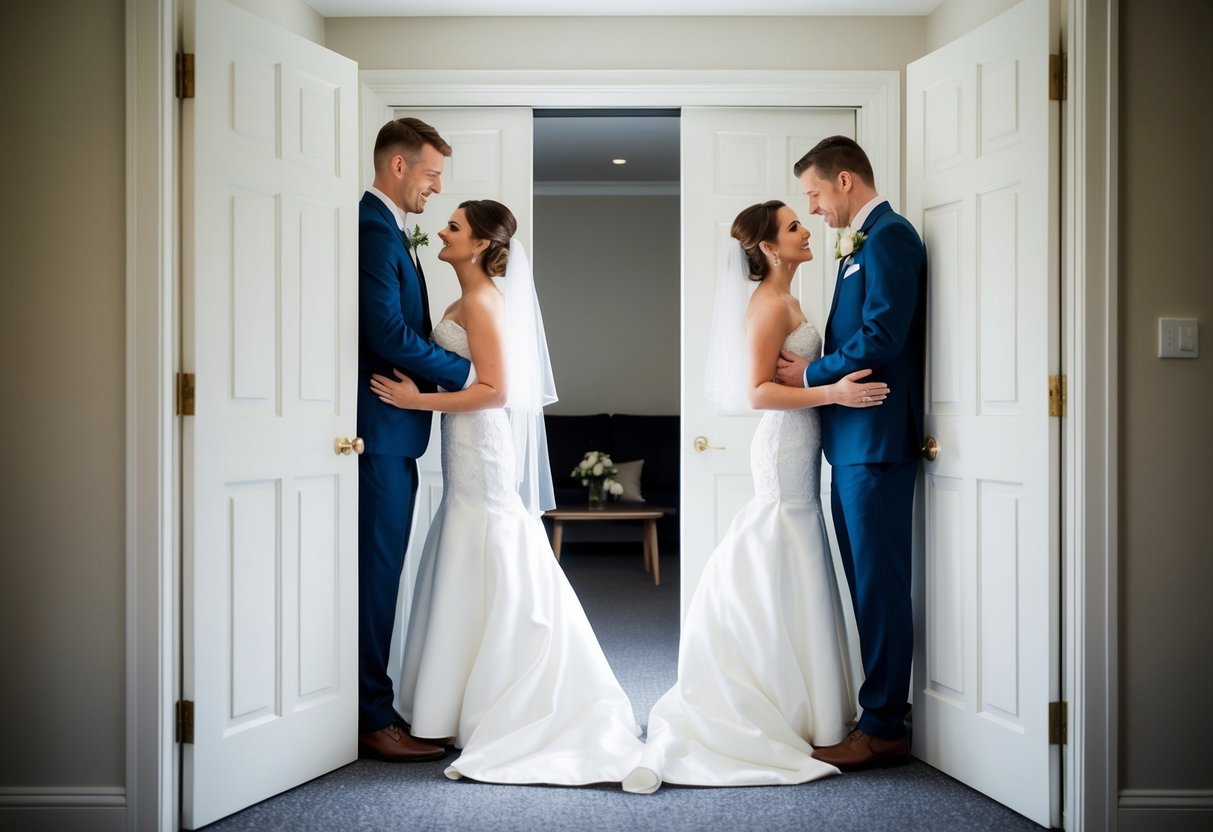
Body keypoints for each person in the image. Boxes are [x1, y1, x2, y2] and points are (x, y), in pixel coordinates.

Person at [369, 199, 647, 787]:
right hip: (464, 446)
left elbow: (495, 390)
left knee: (490, 548)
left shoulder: (481, 301)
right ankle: (448, 702)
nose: (440, 232)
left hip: (481, 443)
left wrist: (419, 402)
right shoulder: (463, 297)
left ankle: (500, 699)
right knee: (466, 557)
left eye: (453, 227)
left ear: (479, 245)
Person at [626, 201, 889, 792]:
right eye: (794, 226)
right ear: (770, 248)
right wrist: (835, 396)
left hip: (802, 443)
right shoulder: (769, 303)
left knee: (794, 558)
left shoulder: (790, 298)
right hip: (783, 445)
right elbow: (759, 393)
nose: (807, 230)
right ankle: (773, 701)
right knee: (782, 545)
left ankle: (806, 705)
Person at [775, 135, 926, 770]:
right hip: (853, 442)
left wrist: (810, 376)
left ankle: (885, 724)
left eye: (813, 194)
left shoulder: (889, 236)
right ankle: (879, 713)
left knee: (879, 585)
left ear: (844, 180)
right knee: (867, 585)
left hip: (877, 439)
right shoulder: (857, 244)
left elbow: (883, 332)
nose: (813, 209)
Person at [357, 117, 474, 763]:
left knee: (384, 574)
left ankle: (375, 703)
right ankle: (370, 716)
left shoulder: (389, 231)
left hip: (396, 432)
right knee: (376, 576)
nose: (435, 188)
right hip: (380, 431)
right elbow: (385, 333)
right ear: (398, 166)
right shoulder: (373, 229)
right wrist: (466, 374)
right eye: (430, 173)